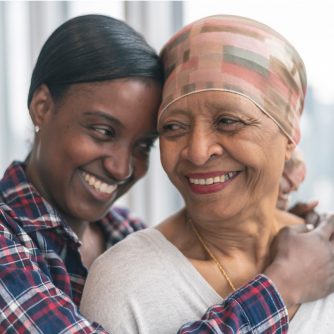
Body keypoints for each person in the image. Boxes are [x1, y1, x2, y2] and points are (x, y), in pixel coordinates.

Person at [0, 13, 332, 334]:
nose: (121, 167)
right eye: (102, 131)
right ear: (42, 107)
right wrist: (283, 285)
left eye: (144, 146)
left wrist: (268, 206)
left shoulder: (121, 231)